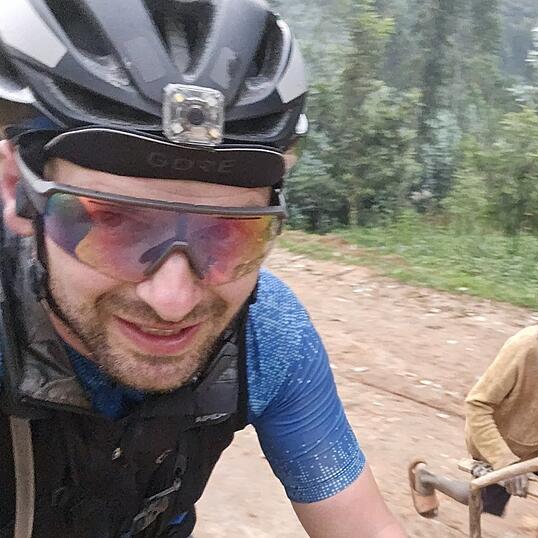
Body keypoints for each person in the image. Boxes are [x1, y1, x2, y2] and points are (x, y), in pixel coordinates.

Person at [0, 1, 403, 537]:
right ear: (16, 190)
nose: (175, 299)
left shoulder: (269, 335)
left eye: (229, 230)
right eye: (113, 221)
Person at [407, 275, 538, 537]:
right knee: (483, 500)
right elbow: (477, 405)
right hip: (497, 444)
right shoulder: (523, 348)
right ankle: (427, 478)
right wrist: (506, 463)